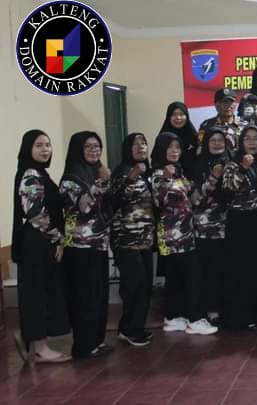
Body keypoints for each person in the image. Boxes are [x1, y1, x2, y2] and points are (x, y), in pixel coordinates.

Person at [11, 129, 71, 363]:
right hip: (36, 242)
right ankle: (39, 347)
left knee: (43, 291)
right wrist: (58, 237)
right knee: (37, 294)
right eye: (38, 145)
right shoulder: (31, 174)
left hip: (41, 240)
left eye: (47, 144)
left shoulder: (39, 173)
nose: (45, 149)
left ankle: (35, 342)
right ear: (28, 148)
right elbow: (35, 212)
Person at [151, 132, 218, 336]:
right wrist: (166, 179)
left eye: (178, 147)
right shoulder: (158, 174)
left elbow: (195, 199)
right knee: (191, 276)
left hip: (186, 232)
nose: (175, 151)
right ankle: (195, 318)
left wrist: (213, 178)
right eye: (170, 147)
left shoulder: (179, 172)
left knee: (176, 276)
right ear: (161, 150)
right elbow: (159, 201)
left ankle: (173, 316)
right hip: (173, 234)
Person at [60, 131, 113, 358]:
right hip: (79, 247)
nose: (94, 150)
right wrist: (102, 182)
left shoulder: (95, 173)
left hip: (99, 244)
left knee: (99, 296)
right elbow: (85, 206)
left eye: (97, 146)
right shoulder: (71, 179)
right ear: (78, 150)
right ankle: (83, 345)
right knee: (84, 297)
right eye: (88, 147)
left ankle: (96, 341)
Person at [109, 133, 155, 346]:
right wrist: (131, 177)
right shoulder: (122, 171)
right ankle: (130, 329)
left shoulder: (148, 172)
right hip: (126, 238)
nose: (140, 147)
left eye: (143, 143)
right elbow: (114, 199)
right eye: (135, 144)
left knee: (145, 285)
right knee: (134, 285)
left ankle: (132, 327)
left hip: (145, 238)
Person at [222, 125, 257, 330]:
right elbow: (228, 189)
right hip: (239, 221)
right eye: (247, 138)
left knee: (256, 269)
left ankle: (254, 313)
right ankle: (238, 316)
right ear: (241, 142)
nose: (252, 142)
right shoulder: (233, 164)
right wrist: (242, 168)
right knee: (239, 269)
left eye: (255, 138)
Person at [191, 127, 231, 326]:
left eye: (220, 140)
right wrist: (214, 177)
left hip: (228, 227)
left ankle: (225, 308)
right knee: (209, 271)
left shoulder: (231, 163)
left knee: (226, 271)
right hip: (206, 229)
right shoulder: (199, 165)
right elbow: (196, 199)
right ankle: (209, 309)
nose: (217, 144)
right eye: (213, 140)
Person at [198, 88, 248, 154]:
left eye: (231, 102)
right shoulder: (206, 126)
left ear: (235, 105)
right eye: (224, 102)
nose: (228, 106)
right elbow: (199, 150)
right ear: (216, 105)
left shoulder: (244, 125)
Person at [160, 101, 199, 175]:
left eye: (181, 114)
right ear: (169, 117)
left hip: (193, 178)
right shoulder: (162, 138)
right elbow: (156, 160)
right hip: (168, 178)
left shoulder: (194, 137)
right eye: (174, 114)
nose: (178, 118)